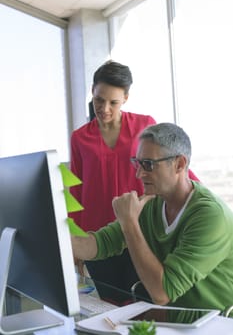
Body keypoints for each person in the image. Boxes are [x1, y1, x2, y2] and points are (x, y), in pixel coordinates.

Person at [69, 61, 199, 304]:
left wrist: (202, 195)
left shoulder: (144, 125)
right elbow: (76, 190)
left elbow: (170, 164)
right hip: (98, 236)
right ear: (92, 92)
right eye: (99, 99)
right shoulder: (79, 138)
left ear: (125, 98)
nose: (104, 108)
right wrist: (75, 242)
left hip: (142, 231)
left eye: (113, 102)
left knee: (146, 304)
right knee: (109, 305)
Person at [71, 122, 233, 314]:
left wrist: (129, 223)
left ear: (179, 164)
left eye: (148, 164)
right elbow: (100, 243)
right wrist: (52, 238)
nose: (139, 173)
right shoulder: (151, 204)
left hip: (217, 325)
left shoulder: (209, 216)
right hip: (175, 321)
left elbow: (162, 292)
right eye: (137, 163)